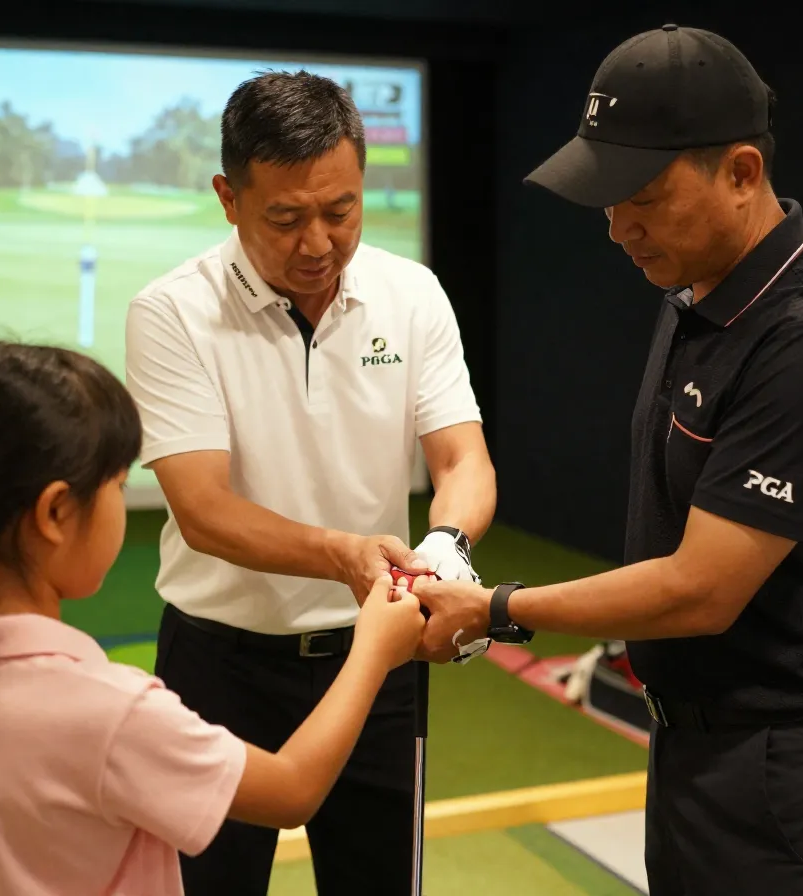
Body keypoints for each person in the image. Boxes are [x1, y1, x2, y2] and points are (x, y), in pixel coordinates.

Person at [413, 24, 803, 896]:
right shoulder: (693, 292)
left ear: (742, 173)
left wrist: (495, 607)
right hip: (694, 745)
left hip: (789, 770)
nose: (616, 228)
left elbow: (701, 589)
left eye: (641, 193)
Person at [0, 340, 427, 896]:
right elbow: (290, 790)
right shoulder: (108, 711)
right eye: (119, 485)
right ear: (55, 512)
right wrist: (373, 649)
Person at [124, 70, 496, 895]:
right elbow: (205, 511)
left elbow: (462, 460)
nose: (319, 243)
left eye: (342, 211)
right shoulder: (171, 311)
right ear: (228, 197)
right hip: (218, 666)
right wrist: (347, 556)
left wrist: (443, 547)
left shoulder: (413, 293)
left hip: (375, 660)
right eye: (286, 218)